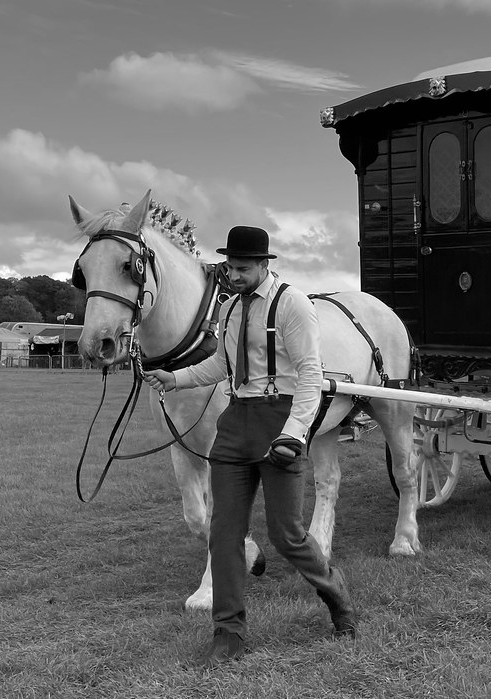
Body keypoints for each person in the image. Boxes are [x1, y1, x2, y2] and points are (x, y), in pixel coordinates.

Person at [144, 225, 356, 668]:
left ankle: (336, 595)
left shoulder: (292, 304)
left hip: (278, 423)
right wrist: (175, 378)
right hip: (236, 421)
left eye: (242, 268)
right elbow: (221, 364)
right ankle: (228, 632)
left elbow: (310, 374)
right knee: (224, 534)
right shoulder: (231, 307)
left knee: (286, 535)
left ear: (264, 265)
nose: (233, 275)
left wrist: (294, 433)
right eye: (229, 267)